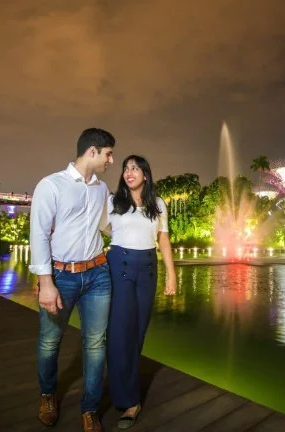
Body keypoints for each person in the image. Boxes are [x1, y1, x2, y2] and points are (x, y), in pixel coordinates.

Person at [29, 128, 115, 432]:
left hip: (98, 275)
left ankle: (89, 410)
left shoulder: (102, 189)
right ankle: (47, 395)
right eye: (108, 154)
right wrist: (46, 282)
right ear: (92, 151)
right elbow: (39, 234)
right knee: (50, 341)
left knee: (95, 344)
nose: (111, 160)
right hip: (61, 275)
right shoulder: (51, 185)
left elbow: (108, 226)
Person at [105, 155, 176, 430]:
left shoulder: (157, 204)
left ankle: (127, 392)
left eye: (135, 168)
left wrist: (171, 274)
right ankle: (128, 400)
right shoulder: (113, 202)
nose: (129, 172)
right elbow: (99, 230)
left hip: (147, 269)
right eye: (126, 168)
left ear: (145, 174)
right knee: (119, 333)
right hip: (119, 266)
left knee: (137, 333)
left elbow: (163, 239)